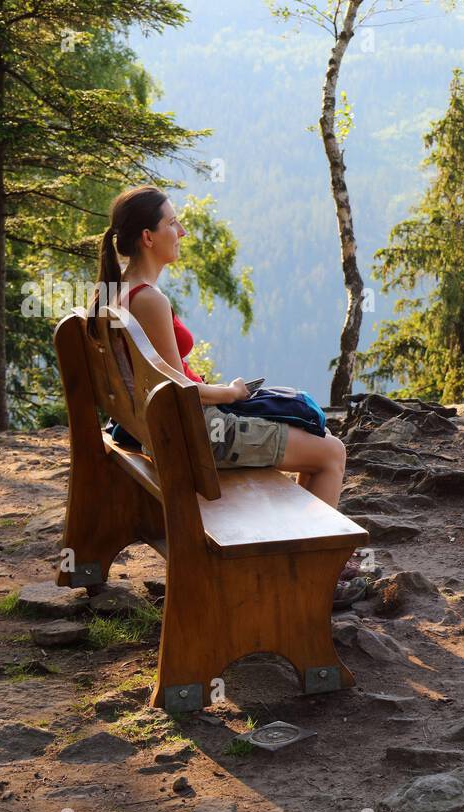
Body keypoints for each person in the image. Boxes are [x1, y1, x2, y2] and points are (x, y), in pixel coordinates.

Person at [90, 185, 367, 606]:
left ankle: (294, 560)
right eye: (172, 223)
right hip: (196, 438)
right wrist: (230, 391)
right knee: (330, 452)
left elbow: (161, 380)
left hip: (153, 432)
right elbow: (175, 391)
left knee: (309, 438)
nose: (180, 231)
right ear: (148, 237)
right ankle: (307, 579)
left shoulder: (113, 292)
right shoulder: (149, 300)